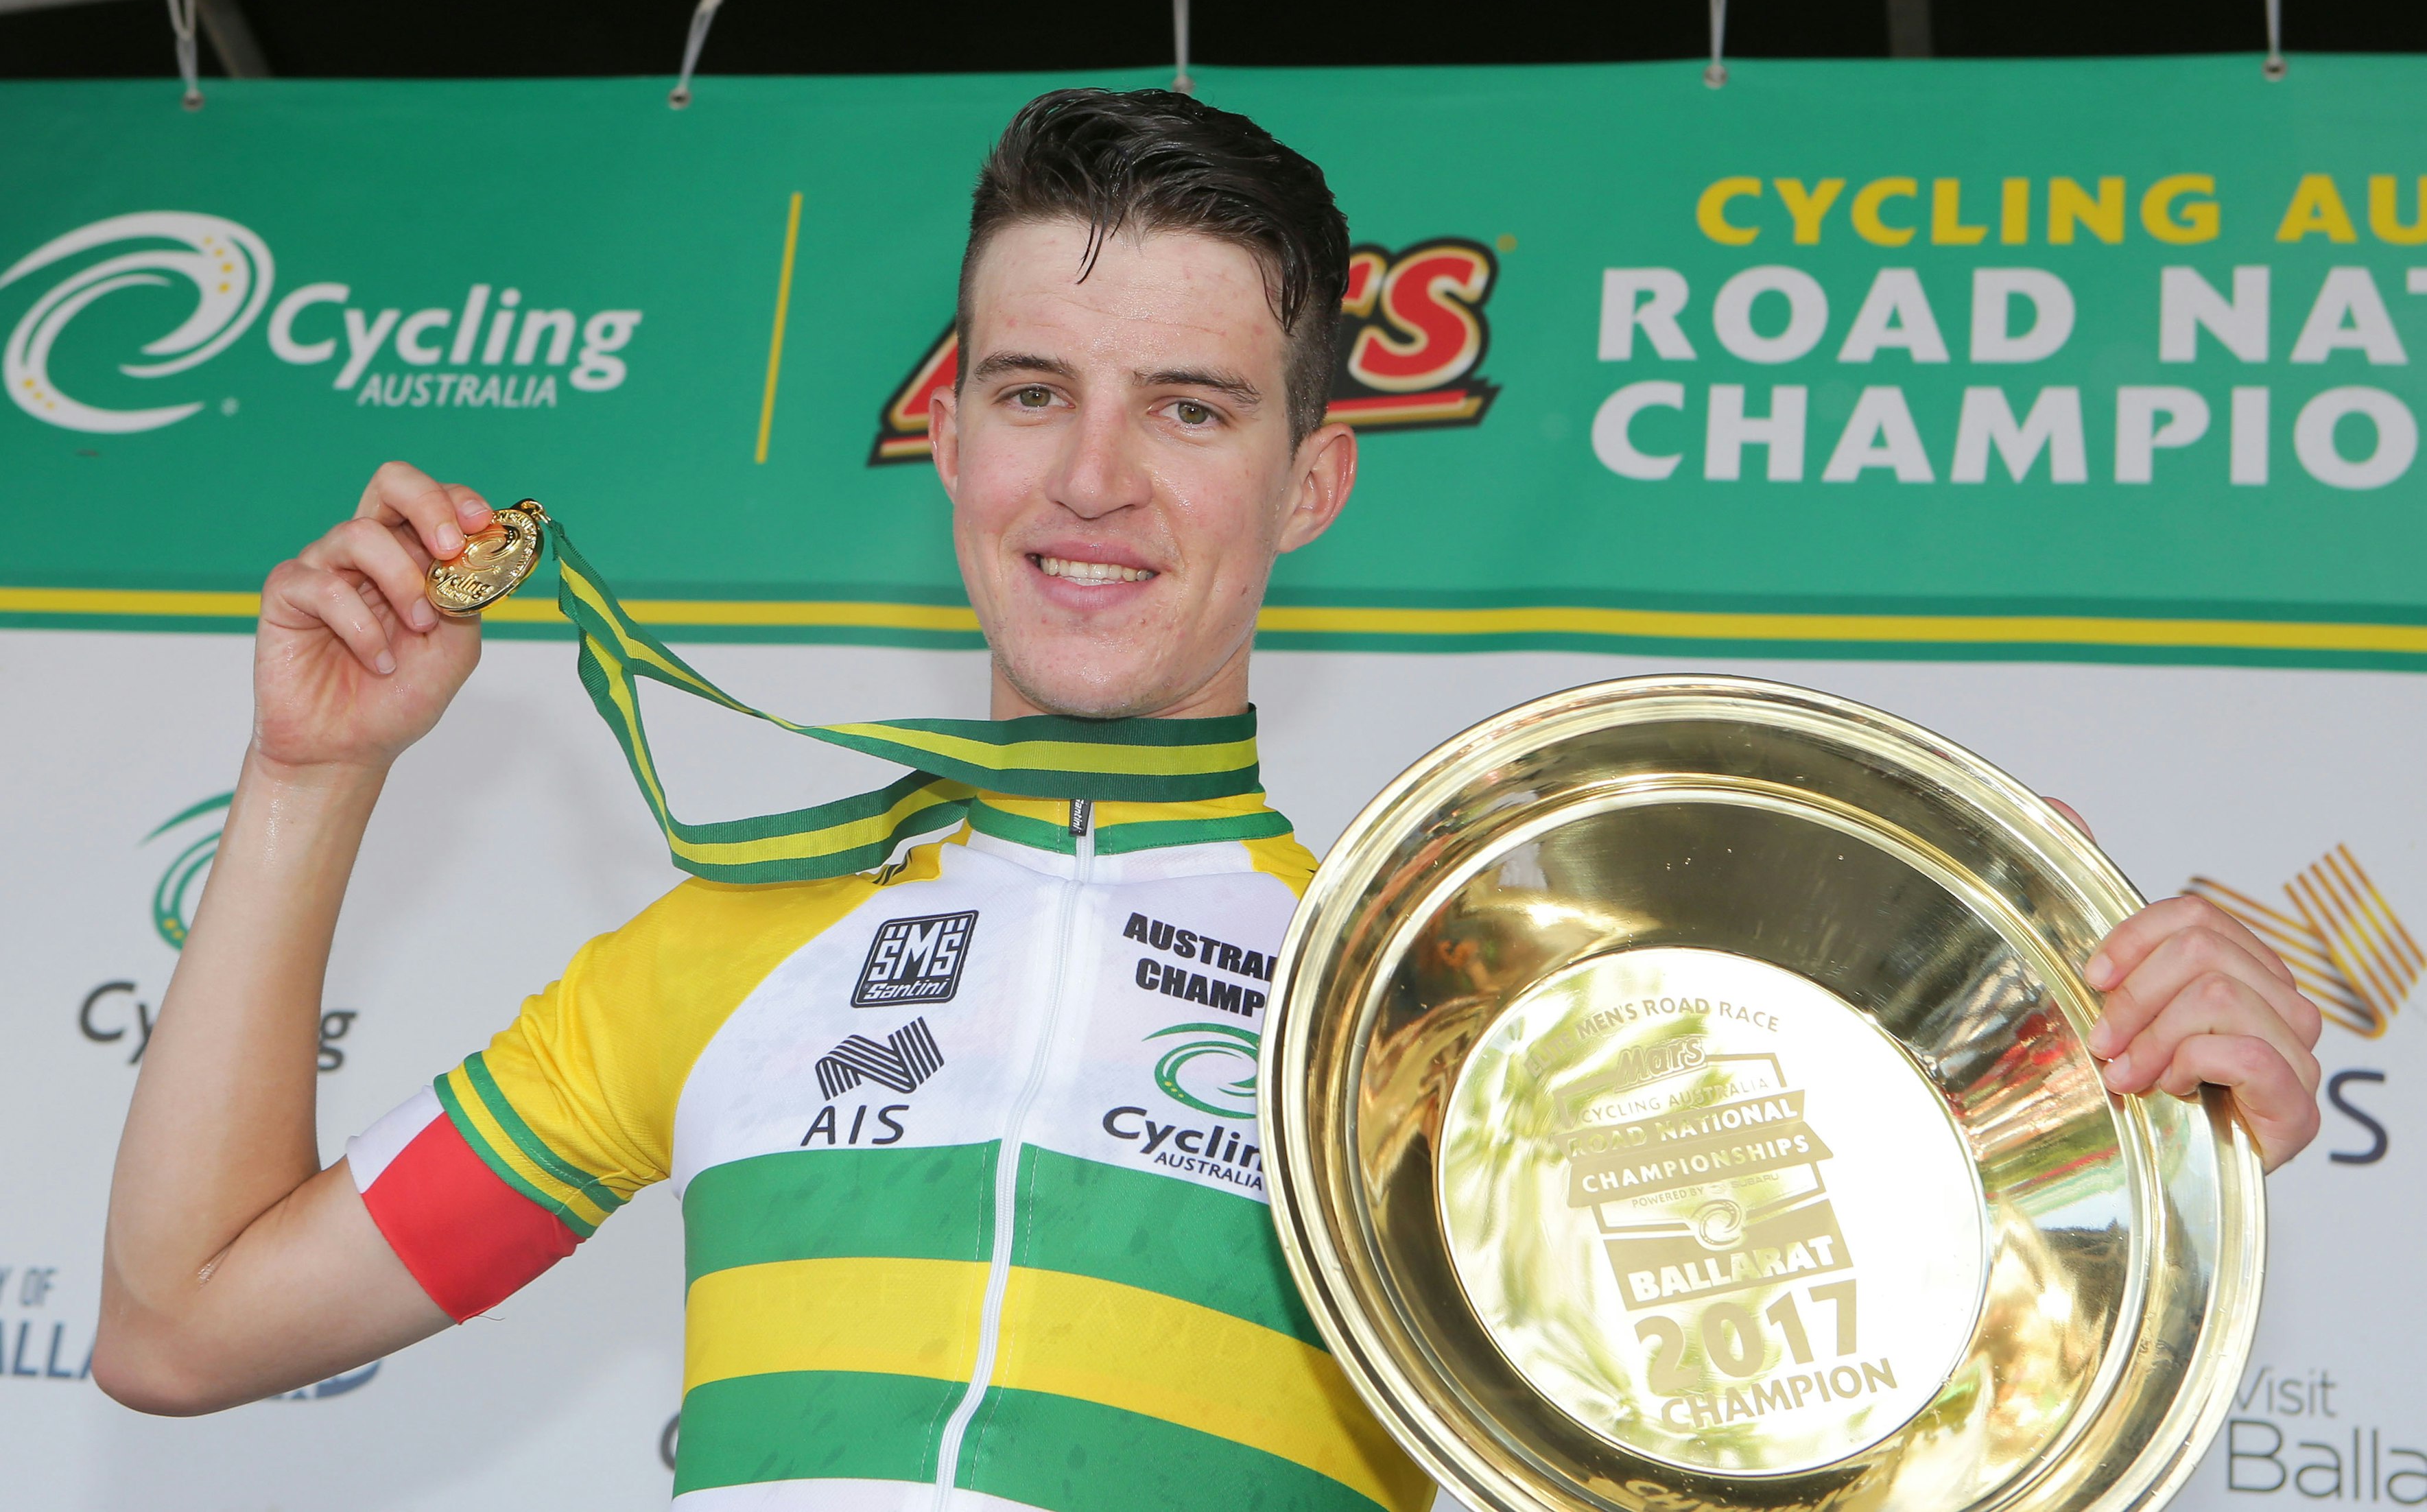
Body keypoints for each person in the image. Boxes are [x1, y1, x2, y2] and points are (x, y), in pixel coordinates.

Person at [91, 89, 2324, 1511]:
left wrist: (2127, 1117)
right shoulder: (728, 947)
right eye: (1031, 393)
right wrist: (310, 782)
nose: (1090, 478)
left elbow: (1835, 1426)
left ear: (1311, 476)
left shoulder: (1448, 1010)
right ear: (944, 436)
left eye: (1187, 407)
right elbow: (187, 1332)